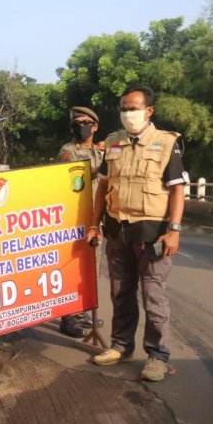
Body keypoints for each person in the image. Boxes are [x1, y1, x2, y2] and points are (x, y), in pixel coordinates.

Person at [87, 85, 188, 382]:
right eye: (123, 108)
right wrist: (94, 223)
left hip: (152, 233)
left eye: (133, 108)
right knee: (120, 293)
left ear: (148, 111)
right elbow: (103, 187)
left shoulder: (167, 143)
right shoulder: (113, 142)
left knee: (153, 297)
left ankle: (157, 356)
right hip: (117, 230)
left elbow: (177, 190)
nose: (127, 113)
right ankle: (121, 346)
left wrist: (175, 230)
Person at [56, 106, 105, 338]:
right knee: (73, 268)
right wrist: (98, 171)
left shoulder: (100, 151)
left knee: (92, 269)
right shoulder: (67, 151)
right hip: (74, 219)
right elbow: (73, 182)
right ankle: (68, 318)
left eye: (85, 122)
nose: (81, 126)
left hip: (96, 219)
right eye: (77, 122)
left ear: (94, 126)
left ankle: (84, 312)